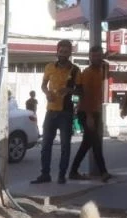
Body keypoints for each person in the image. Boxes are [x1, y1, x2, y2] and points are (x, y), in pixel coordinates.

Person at [31, 39, 81, 185]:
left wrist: (68, 90)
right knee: (46, 145)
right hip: (50, 111)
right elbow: (43, 85)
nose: (63, 54)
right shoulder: (49, 67)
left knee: (65, 146)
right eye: (61, 51)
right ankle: (45, 174)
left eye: (66, 52)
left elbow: (80, 90)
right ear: (57, 51)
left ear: (70, 53)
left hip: (66, 113)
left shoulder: (75, 70)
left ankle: (61, 175)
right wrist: (46, 93)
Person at [68, 45, 112, 183]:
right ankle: (103, 172)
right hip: (87, 112)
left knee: (87, 144)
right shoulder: (87, 73)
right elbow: (85, 95)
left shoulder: (101, 70)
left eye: (98, 55)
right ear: (89, 57)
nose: (96, 58)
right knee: (96, 143)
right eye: (93, 56)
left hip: (95, 111)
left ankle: (73, 171)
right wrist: (89, 116)